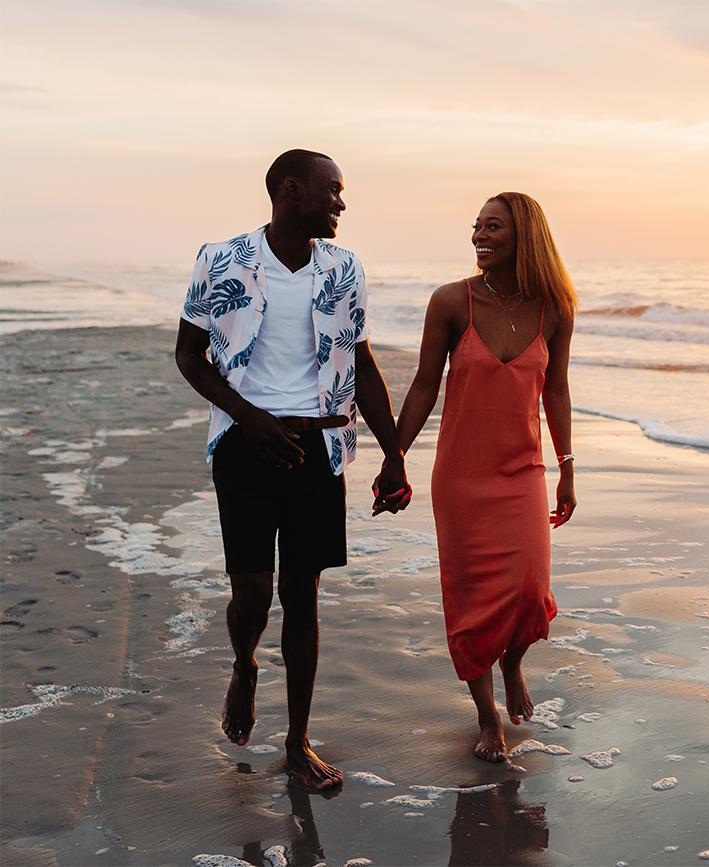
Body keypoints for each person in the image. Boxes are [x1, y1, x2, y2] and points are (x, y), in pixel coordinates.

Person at [175, 149, 411, 789]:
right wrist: (248, 416)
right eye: (332, 191)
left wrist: (393, 455)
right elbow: (189, 356)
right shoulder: (221, 260)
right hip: (245, 447)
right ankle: (244, 664)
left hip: (317, 452)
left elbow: (360, 363)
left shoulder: (343, 268)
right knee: (252, 594)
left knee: (301, 595)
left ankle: (299, 741)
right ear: (290, 190)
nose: (340, 203)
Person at [395, 192, 577, 762]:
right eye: (476, 226)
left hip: (523, 470)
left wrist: (568, 468)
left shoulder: (555, 308)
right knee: (473, 599)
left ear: (523, 236)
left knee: (527, 589)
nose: (479, 235)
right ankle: (487, 715)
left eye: (493, 227)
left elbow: (557, 389)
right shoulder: (451, 301)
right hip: (461, 478)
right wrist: (393, 455)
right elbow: (426, 383)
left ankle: (515, 665)